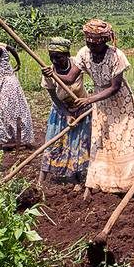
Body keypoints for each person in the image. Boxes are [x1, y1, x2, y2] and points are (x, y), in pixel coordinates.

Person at [56, 19, 134, 197]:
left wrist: (90, 99)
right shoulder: (84, 53)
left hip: (121, 103)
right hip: (100, 102)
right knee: (101, 140)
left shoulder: (116, 56)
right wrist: (53, 72)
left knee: (124, 139)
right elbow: (70, 78)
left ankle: (131, 183)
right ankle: (101, 181)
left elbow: (115, 87)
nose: (90, 46)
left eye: (94, 44)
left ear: (103, 41)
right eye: (88, 42)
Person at [38, 37, 92, 186]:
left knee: (78, 144)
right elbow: (53, 96)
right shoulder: (47, 71)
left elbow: (91, 76)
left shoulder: (77, 63)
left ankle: (77, 180)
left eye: (59, 57)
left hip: (82, 108)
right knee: (52, 142)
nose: (55, 61)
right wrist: (67, 113)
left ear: (67, 54)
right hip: (61, 110)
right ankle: (40, 182)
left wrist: (92, 99)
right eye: (52, 57)